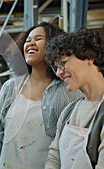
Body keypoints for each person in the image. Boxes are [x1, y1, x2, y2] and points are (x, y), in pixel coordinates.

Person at [0, 22, 83, 169]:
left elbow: (74, 145)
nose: (31, 43)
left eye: (38, 39)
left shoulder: (68, 91)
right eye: (28, 40)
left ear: (54, 46)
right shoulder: (9, 88)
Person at [44, 28, 104, 169]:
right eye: (56, 67)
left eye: (63, 63)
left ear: (90, 57)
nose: (59, 73)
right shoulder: (69, 111)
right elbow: (54, 157)